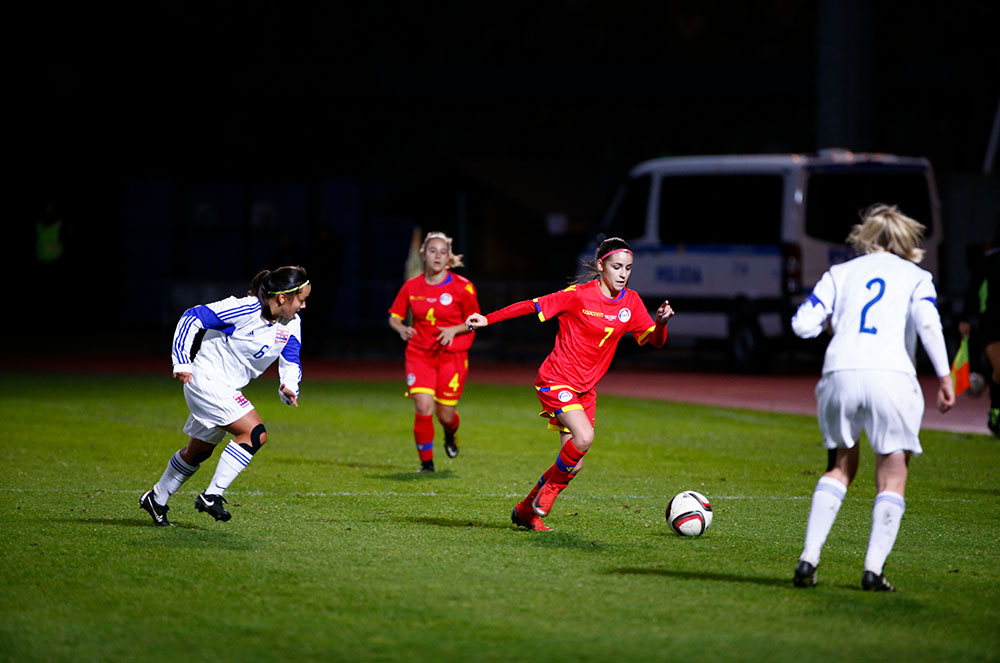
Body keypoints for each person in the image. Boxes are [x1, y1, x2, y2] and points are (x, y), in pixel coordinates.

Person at [790, 204, 954, 591]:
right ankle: (873, 570)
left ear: (866, 238)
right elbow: (929, 324)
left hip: (840, 372)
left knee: (841, 467)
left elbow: (802, 325)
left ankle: (808, 559)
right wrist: (945, 377)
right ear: (905, 241)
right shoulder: (917, 277)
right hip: (892, 375)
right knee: (893, 476)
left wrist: (837, 327)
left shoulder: (840, 273)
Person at [465, 237, 674, 531]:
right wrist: (488, 319)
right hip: (556, 379)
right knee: (584, 437)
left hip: (585, 390)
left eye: (628, 268)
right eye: (617, 267)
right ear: (601, 266)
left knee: (574, 463)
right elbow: (531, 305)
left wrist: (662, 323)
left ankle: (525, 510)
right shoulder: (578, 295)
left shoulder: (631, 302)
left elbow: (654, 340)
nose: (623, 273)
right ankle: (548, 493)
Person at [139, 266, 311, 526]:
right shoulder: (245, 309)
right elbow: (191, 317)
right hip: (206, 380)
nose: (304, 305)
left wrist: (289, 387)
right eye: (301, 299)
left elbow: (290, 358)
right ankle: (212, 495)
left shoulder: (291, 324)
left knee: (198, 452)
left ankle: (157, 497)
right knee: (255, 434)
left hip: (226, 388)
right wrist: (182, 361)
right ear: (283, 298)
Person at [388, 232, 480, 472]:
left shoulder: (463, 287)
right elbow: (394, 317)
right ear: (423, 255)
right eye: (432, 251)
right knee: (423, 406)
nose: (437, 256)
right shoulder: (412, 286)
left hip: (453, 356)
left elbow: (476, 320)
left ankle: (450, 434)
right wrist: (401, 328)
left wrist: (455, 329)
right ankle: (426, 464)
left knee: (445, 415)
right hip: (419, 354)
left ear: (448, 256)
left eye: (442, 252)